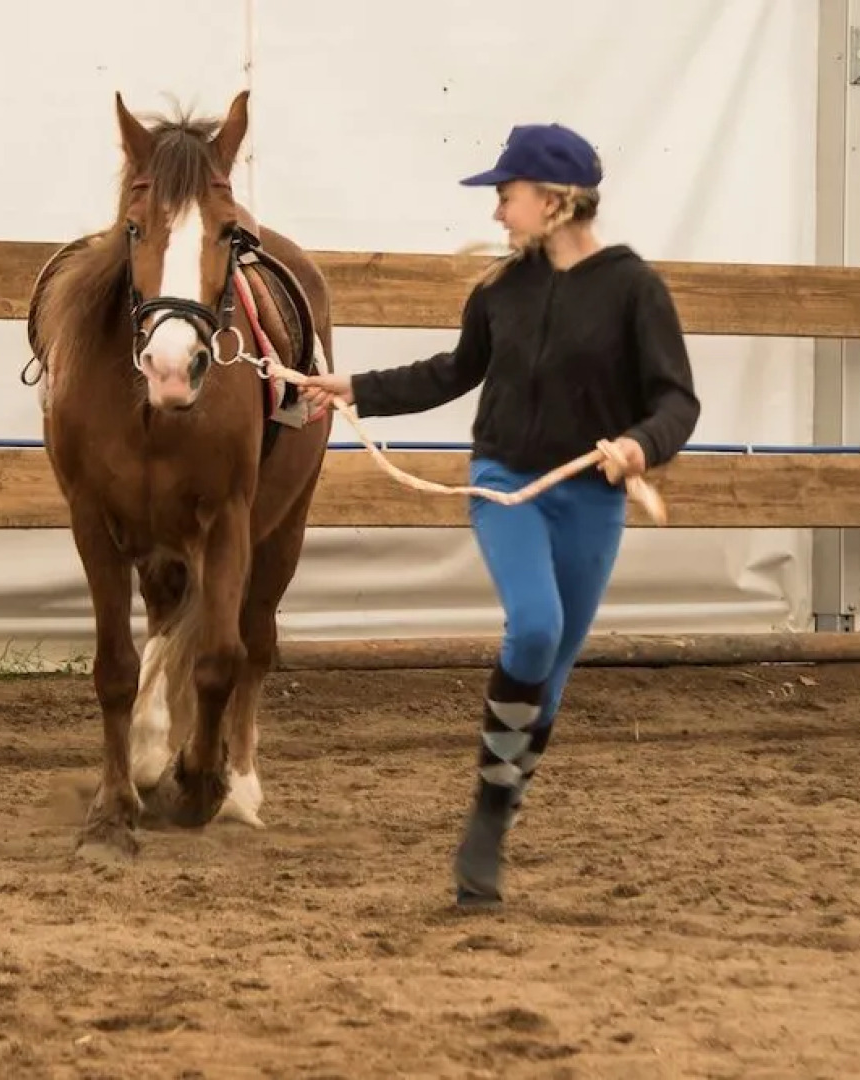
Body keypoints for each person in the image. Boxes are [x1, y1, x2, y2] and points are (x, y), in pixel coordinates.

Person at [298, 122, 701, 907]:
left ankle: (496, 808)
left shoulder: (633, 289)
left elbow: (675, 398)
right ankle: (488, 819)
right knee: (536, 628)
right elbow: (455, 371)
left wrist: (639, 445)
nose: (495, 214)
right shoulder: (500, 290)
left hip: (589, 499)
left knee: (547, 681)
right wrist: (357, 389)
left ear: (552, 202)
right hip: (503, 484)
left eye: (504, 196)